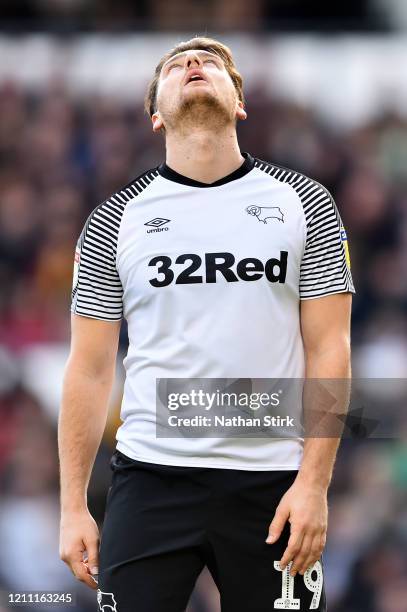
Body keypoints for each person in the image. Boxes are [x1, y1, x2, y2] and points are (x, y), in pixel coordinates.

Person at [58, 36, 355, 611]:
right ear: (154, 114)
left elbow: (330, 349)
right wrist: (73, 506)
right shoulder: (112, 221)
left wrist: (314, 485)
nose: (194, 65)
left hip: (272, 481)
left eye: (212, 63)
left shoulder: (304, 201)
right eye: (176, 66)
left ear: (238, 103)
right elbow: (90, 369)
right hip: (151, 478)